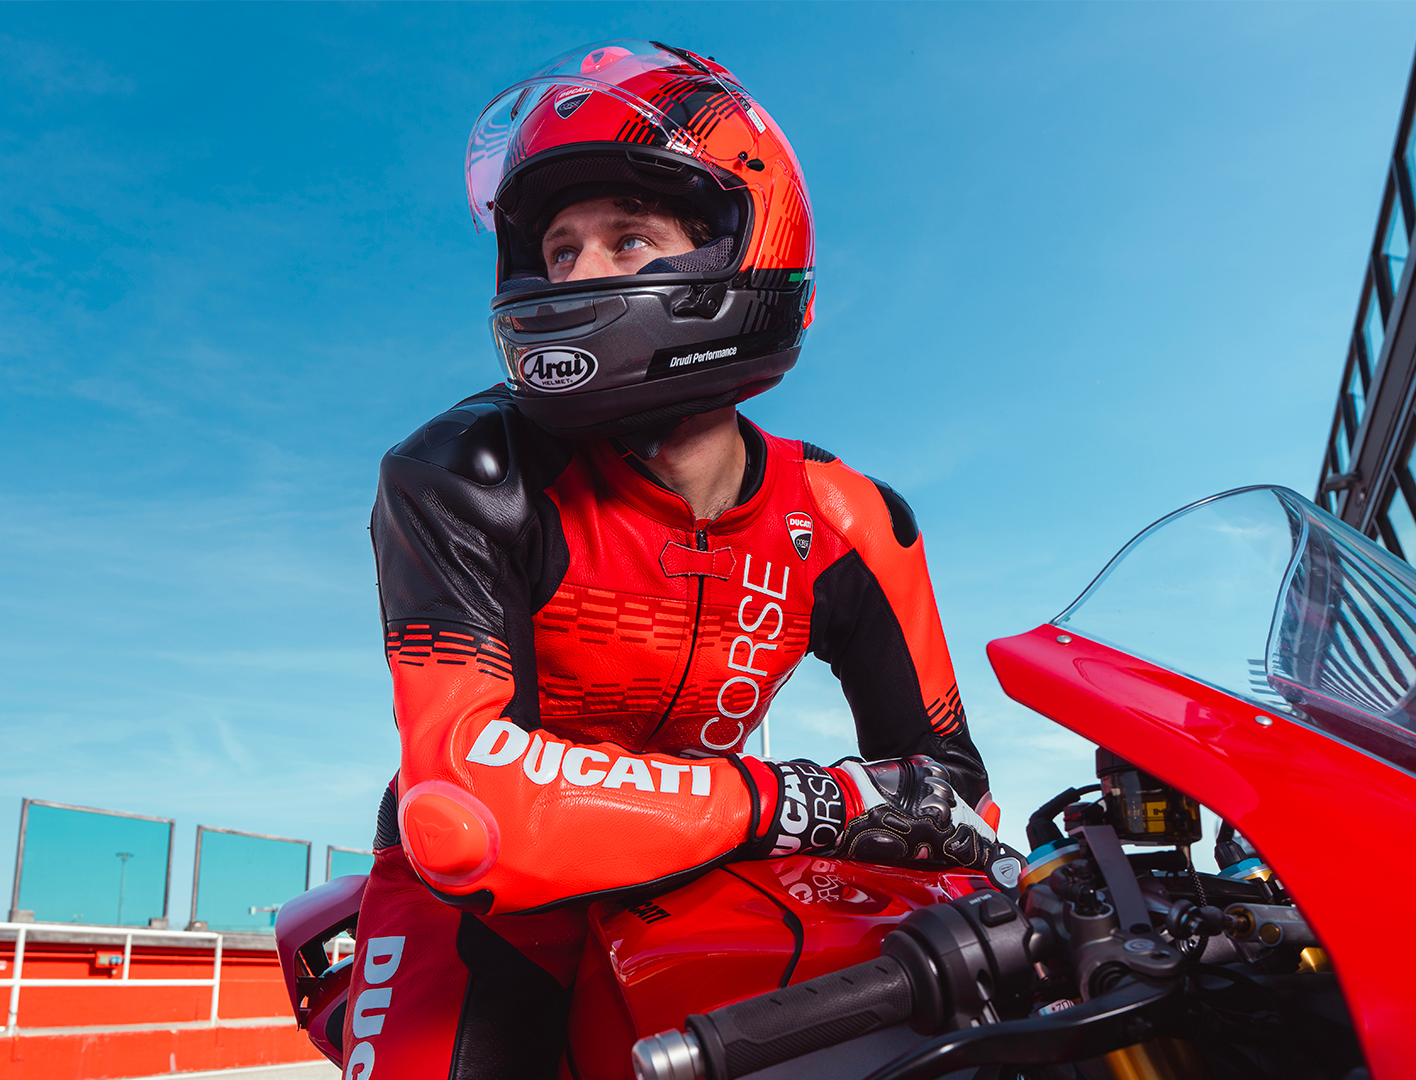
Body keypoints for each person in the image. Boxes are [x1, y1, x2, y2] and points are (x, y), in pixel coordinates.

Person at [342, 41, 1006, 1079]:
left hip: (706, 870)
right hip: (481, 905)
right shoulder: (462, 472)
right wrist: (800, 801)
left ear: (739, 252)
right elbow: (468, 808)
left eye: (629, 240)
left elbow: (947, 783)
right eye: (559, 250)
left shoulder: (851, 517)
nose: (576, 274)